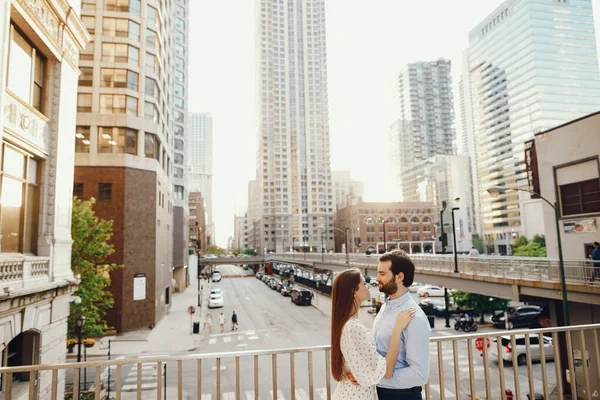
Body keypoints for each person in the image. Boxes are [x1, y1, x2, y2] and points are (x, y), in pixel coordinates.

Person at [348, 250, 431, 400]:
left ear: (399, 277)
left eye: (382, 274)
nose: (377, 278)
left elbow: (419, 374)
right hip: (381, 393)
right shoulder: (386, 307)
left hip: (401, 396)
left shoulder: (415, 318)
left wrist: (372, 378)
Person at [331, 268, 416, 400]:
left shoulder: (347, 324)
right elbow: (387, 371)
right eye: (364, 284)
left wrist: (363, 374)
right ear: (354, 291)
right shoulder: (353, 327)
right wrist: (397, 330)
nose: (369, 286)